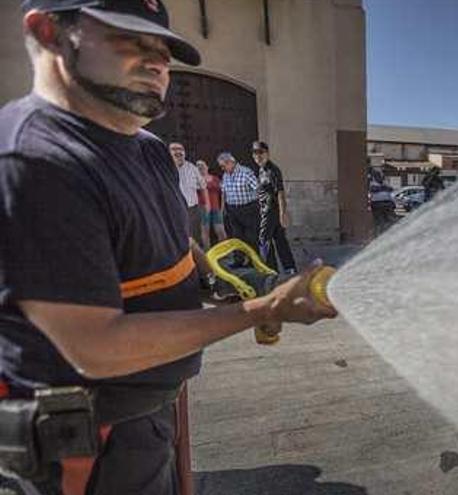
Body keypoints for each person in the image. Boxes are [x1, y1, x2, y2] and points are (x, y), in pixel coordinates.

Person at [0, 2, 336, 494]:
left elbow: (172, 242)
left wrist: (219, 278)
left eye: (162, 49)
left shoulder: (147, 149)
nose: (158, 62)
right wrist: (258, 309)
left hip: (149, 419)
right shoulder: (35, 161)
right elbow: (97, 348)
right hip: (76, 448)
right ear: (49, 31)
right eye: (129, 40)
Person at [252, 141, 297, 273]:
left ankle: (271, 270)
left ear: (267, 153)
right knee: (280, 240)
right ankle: (289, 268)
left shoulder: (273, 170)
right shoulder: (261, 170)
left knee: (263, 240)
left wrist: (283, 213)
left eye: (261, 152)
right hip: (266, 210)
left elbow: (280, 192)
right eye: (255, 153)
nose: (258, 156)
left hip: (271, 211)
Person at [218, 151, 260, 252]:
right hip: (232, 210)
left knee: (251, 236)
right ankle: (239, 259)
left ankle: (253, 260)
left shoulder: (246, 172)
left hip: (248, 209)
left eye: (223, 166)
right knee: (236, 237)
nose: (222, 169)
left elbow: (258, 189)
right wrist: (222, 209)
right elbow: (224, 192)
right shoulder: (225, 175)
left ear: (230, 162)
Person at [169, 142, 207, 245]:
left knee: (195, 236)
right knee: (177, 236)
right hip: (173, 210)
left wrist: (207, 204)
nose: (178, 151)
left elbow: (203, 186)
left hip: (192, 209)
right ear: (169, 152)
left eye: (180, 149)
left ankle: (196, 260)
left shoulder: (193, 168)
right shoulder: (164, 168)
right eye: (174, 149)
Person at [197, 159, 227, 248]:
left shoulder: (215, 178)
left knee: (220, 231)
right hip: (203, 209)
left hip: (216, 208)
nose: (201, 167)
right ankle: (208, 255)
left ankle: (225, 253)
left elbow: (223, 194)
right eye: (198, 166)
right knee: (205, 232)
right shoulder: (195, 180)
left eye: (202, 165)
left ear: (207, 167)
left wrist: (222, 207)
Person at [368, 168, 396, 235]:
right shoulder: (372, 182)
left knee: (389, 220)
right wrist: (383, 188)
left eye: (380, 176)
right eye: (377, 176)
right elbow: (373, 189)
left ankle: (388, 233)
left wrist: (383, 187)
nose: (379, 177)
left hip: (387, 203)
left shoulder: (385, 182)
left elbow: (391, 189)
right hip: (377, 204)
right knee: (379, 221)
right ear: (375, 177)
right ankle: (378, 234)